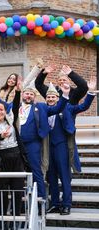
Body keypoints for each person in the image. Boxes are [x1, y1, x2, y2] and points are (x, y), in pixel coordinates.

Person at [0, 78, 70, 200]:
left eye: (31, 94)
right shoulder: (12, 106)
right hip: (15, 145)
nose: (29, 96)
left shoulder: (41, 107)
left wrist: (65, 95)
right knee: (18, 173)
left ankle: (40, 198)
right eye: (27, 93)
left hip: (33, 144)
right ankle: (18, 199)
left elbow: (57, 109)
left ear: (34, 97)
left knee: (36, 170)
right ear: (22, 94)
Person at [45, 77, 96, 215]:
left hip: (62, 146)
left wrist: (91, 92)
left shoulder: (67, 107)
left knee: (65, 176)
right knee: (52, 177)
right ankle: (55, 203)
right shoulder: (44, 110)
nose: (50, 99)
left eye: (53, 97)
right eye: (48, 97)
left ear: (57, 97)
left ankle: (66, 204)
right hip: (48, 148)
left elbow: (83, 106)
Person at [0, 79, 27, 221]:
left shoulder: (11, 121)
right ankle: (3, 221)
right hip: (1, 161)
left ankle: (16, 221)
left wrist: (17, 92)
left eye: (1, 109)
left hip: (16, 158)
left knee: (17, 192)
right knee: (2, 194)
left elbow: (15, 107)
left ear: (5, 112)